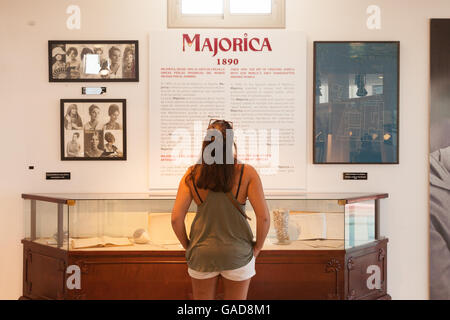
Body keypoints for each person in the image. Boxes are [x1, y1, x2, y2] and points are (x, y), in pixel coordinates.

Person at [171, 119, 270, 300]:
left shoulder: (192, 174)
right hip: (238, 253)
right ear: (231, 143)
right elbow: (263, 217)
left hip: (202, 252)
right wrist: (257, 248)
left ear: (206, 143)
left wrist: (189, 246)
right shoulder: (247, 173)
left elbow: (176, 219)